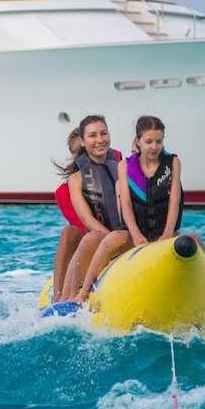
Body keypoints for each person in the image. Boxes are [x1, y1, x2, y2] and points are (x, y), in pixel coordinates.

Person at [73, 115, 186, 303]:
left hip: (165, 233)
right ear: (138, 141)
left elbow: (175, 199)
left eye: (159, 141)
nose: (154, 146)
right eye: (148, 141)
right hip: (135, 235)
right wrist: (135, 234)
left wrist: (167, 234)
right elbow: (125, 203)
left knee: (195, 241)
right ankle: (83, 293)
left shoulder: (172, 163)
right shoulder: (125, 166)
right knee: (110, 240)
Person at [56, 115, 123, 302]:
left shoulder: (123, 167)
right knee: (77, 234)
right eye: (92, 136)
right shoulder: (73, 182)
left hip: (123, 236)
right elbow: (86, 221)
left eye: (103, 134)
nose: (99, 140)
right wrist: (109, 238)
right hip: (97, 238)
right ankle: (63, 297)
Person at [50, 128, 85, 296]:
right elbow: (82, 227)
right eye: (79, 153)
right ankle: (58, 297)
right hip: (88, 244)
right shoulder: (64, 192)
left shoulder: (116, 171)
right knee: (69, 231)